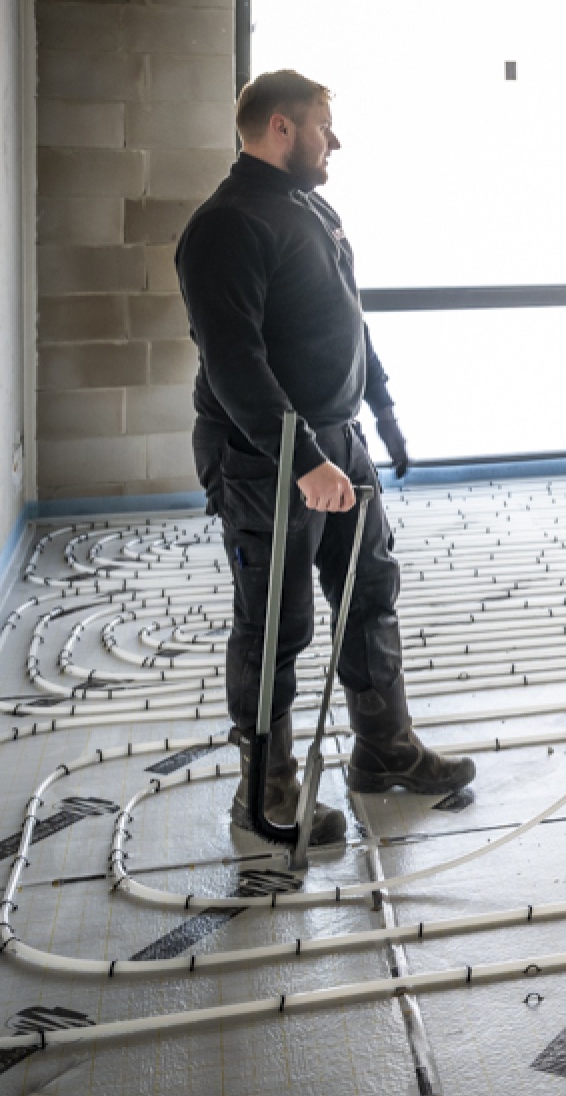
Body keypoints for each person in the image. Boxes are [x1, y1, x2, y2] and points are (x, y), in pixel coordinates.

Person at [176, 70, 474, 847]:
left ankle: (383, 748)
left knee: (369, 590)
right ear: (280, 127)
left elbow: (349, 322)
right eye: (323, 126)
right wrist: (304, 458)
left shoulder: (310, 208)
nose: (333, 140)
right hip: (264, 458)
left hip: (339, 442)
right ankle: (266, 791)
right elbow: (235, 363)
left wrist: (383, 414)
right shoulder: (226, 227)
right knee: (276, 619)